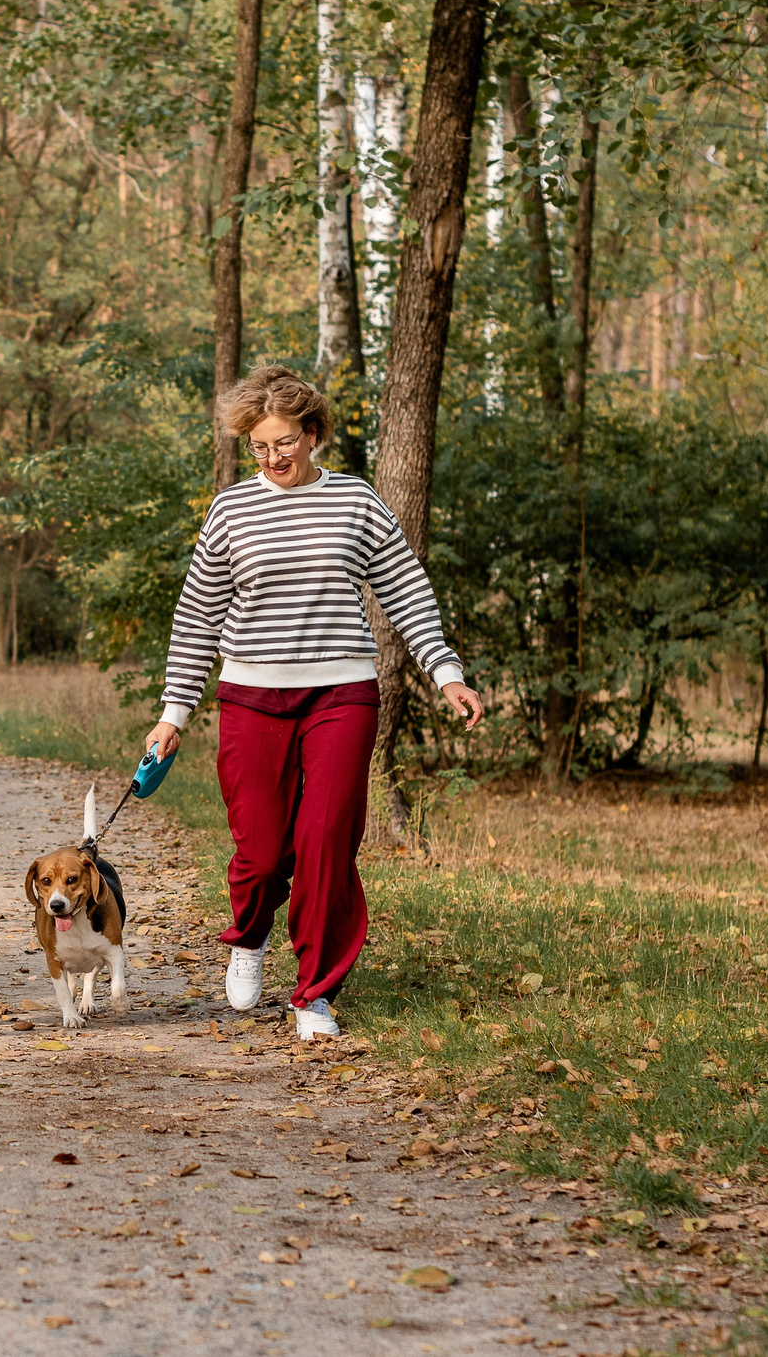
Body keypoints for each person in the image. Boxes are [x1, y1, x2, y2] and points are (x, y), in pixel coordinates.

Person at [144, 365, 485, 1041]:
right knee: (264, 852)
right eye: (260, 446)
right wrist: (173, 712)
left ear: (313, 433)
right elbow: (198, 614)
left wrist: (445, 670)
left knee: (328, 842)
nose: (273, 457)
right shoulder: (232, 510)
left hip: (341, 693)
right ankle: (250, 935)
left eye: (284, 443)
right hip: (251, 695)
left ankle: (314, 993)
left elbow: (406, 589)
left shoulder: (356, 503)